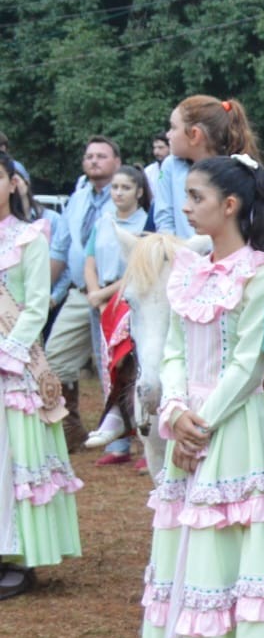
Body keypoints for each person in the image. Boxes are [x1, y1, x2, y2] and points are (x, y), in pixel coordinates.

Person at [136, 154, 264, 638]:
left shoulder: (262, 275)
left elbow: (247, 364)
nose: (185, 207)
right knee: (191, 538)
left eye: (195, 197)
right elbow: (172, 347)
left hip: (237, 425)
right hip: (192, 415)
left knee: (237, 540)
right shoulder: (187, 268)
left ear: (230, 205)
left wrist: (201, 423)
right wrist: (174, 410)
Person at [0, 152, 82, 600]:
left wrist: (8, 352)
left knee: (15, 460)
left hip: (13, 367)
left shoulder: (31, 236)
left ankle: (18, 556)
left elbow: (35, 304)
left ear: (13, 183)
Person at [46, 135, 122, 451]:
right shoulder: (77, 199)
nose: (94, 161)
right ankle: (71, 428)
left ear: (117, 162)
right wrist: (42, 293)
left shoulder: (124, 195)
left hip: (116, 295)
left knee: (114, 366)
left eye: (102, 156)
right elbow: (60, 249)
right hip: (79, 294)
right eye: (89, 156)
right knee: (53, 358)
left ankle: (123, 434)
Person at [83, 165, 155, 466]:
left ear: (139, 191)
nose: (118, 193)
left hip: (127, 302)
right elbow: (90, 258)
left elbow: (139, 269)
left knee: (133, 368)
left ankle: (145, 440)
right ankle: (119, 442)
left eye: (126, 187)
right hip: (102, 304)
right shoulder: (104, 221)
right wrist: (95, 293)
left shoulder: (146, 226)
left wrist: (104, 294)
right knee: (107, 368)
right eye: (114, 187)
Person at [153, 95, 262, 239]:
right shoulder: (170, 165)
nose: (168, 134)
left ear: (194, 135)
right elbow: (164, 218)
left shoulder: (236, 172)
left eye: (173, 127)